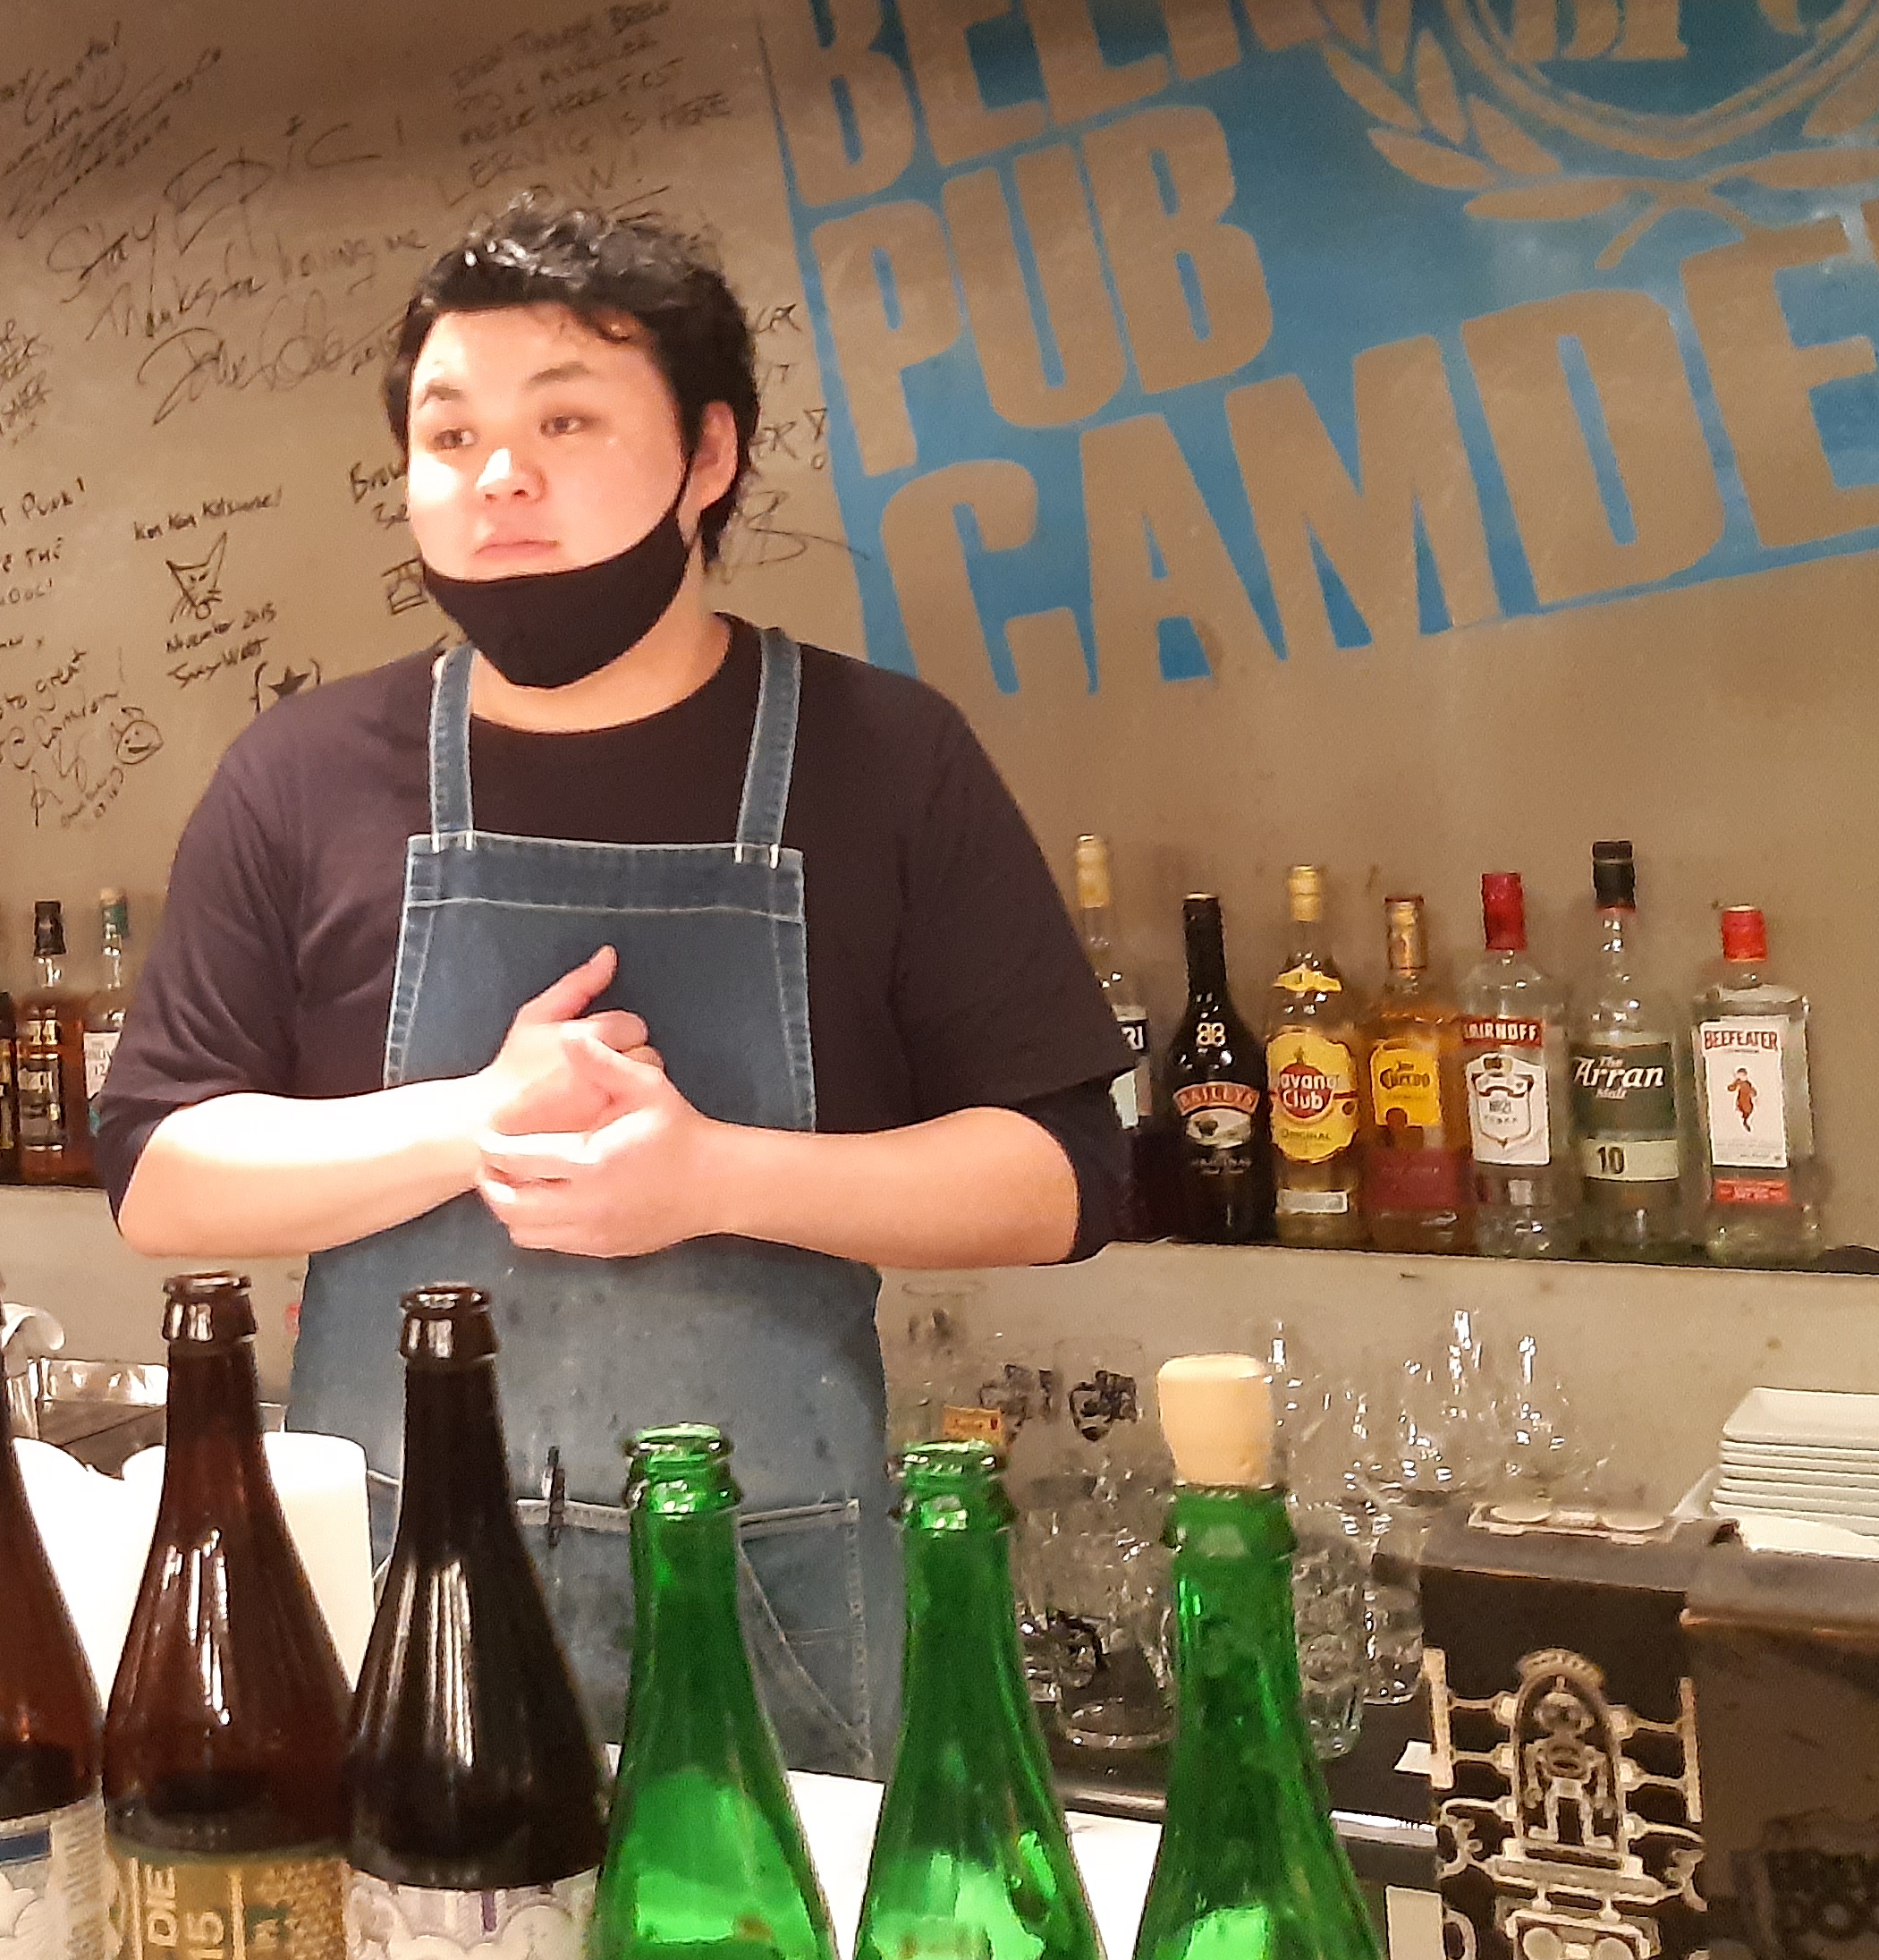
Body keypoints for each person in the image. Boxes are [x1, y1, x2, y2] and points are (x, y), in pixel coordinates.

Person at [100, 201, 1130, 1777]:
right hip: (389, 1588)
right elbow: (158, 1175)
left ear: (708, 454)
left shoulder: (882, 758)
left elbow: (1063, 1175)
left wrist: (711, 1178)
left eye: (564, 420)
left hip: (770, 1593)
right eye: (450, 435)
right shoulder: (302, 776)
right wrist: (472, 1124)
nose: (497, 475)